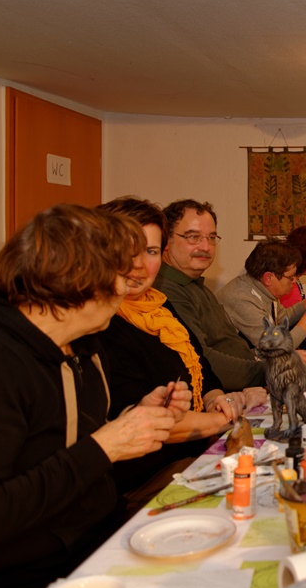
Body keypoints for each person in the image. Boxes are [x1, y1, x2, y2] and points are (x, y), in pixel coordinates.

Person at [0, 204, 189, 588]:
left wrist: (136, 419)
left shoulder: (85, 344)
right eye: (121, 273)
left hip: (102, 537)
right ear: (81, 281)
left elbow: (68, 446)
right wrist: (105, 446)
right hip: (30, 575)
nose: (128, 286)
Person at [95, 197, 268, 509]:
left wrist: (216, 398)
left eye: (150, 251)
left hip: (195, 451)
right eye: (128, 250)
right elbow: (146, 423)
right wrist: (226, 418)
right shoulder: (101, 324)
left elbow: (200, 362)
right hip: (146, 479)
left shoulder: (158, 305)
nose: (140, 264)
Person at [153, 199, 265, 389]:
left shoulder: (196, 285)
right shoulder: (165, 290)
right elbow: (201, 359)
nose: (206, 247)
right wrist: (270, 372)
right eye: (193, 237)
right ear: (165, 240)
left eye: (211, 237)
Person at [218, 239, 306, 361]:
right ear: (268, 278)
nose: (294, 281)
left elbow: (284, 317)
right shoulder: (242, 300)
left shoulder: (262, 289)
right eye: (290, 277)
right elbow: (278, 348)